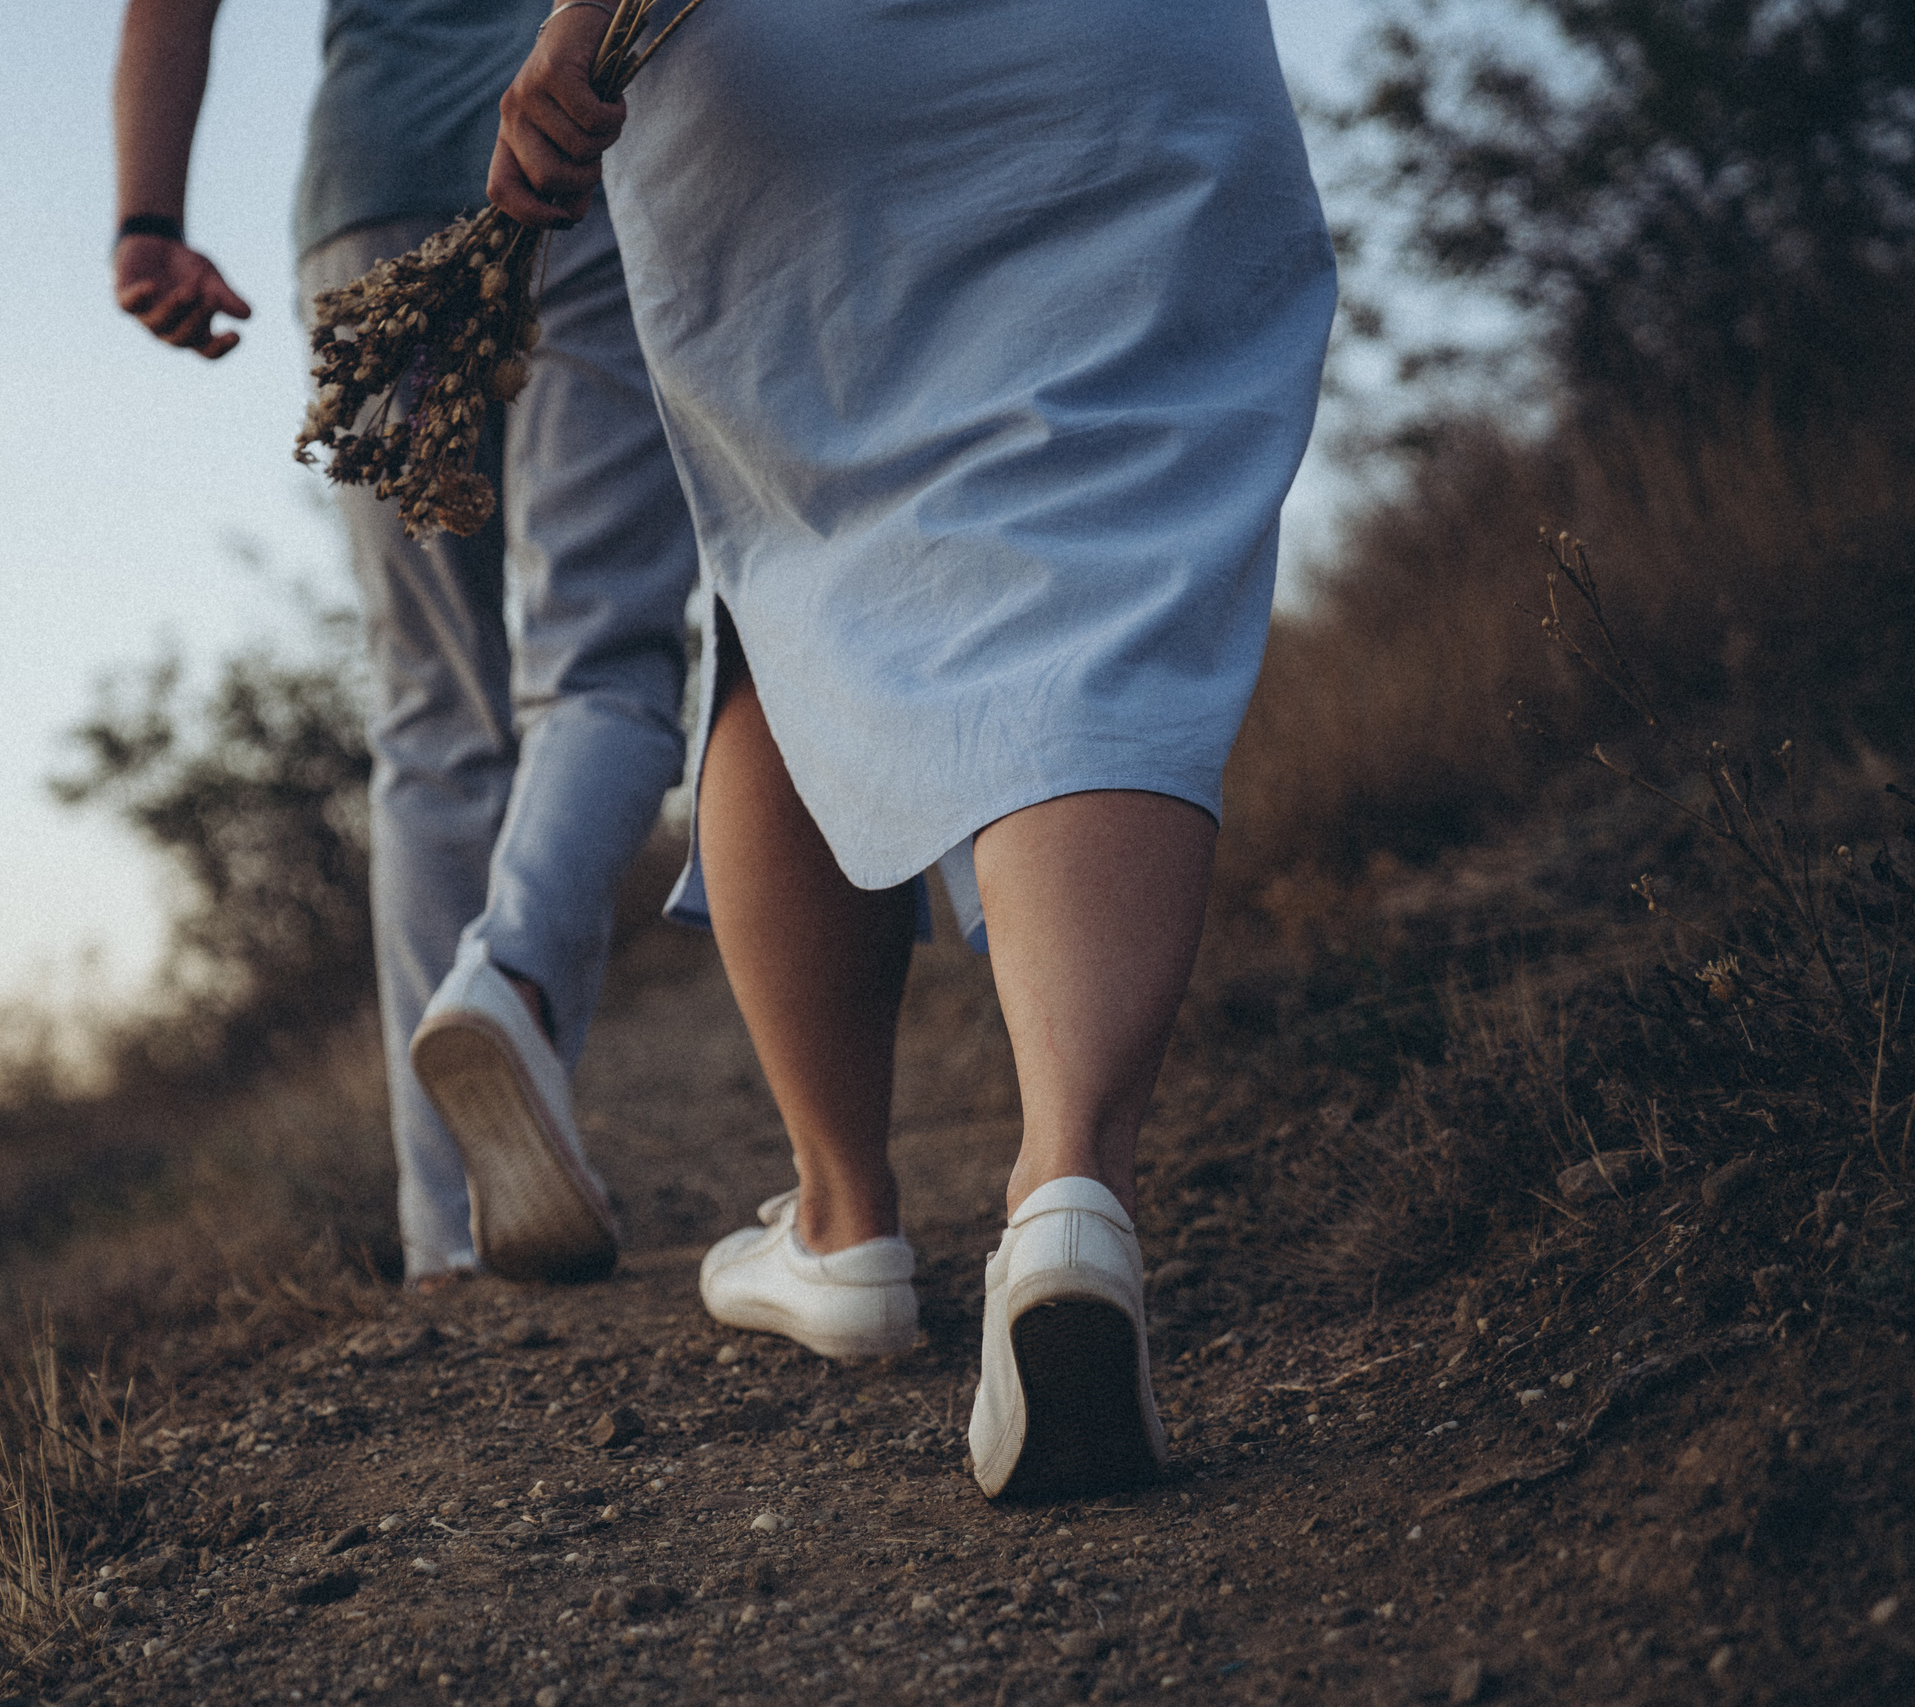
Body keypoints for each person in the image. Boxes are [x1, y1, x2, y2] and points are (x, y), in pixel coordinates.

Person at [491, 0, 1335, 1495]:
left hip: (781, 70)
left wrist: (573, 33)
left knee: (806, 574)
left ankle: (843, 1220)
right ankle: (1069, 1188)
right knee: (1105, 549)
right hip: (1121, 49)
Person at [110, 0, 696, 1288]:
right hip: (579, 142)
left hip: (367, 194)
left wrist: (147, 223)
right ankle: (511, 988)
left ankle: (448, 1231)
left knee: (435, 714)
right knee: (600, 660)